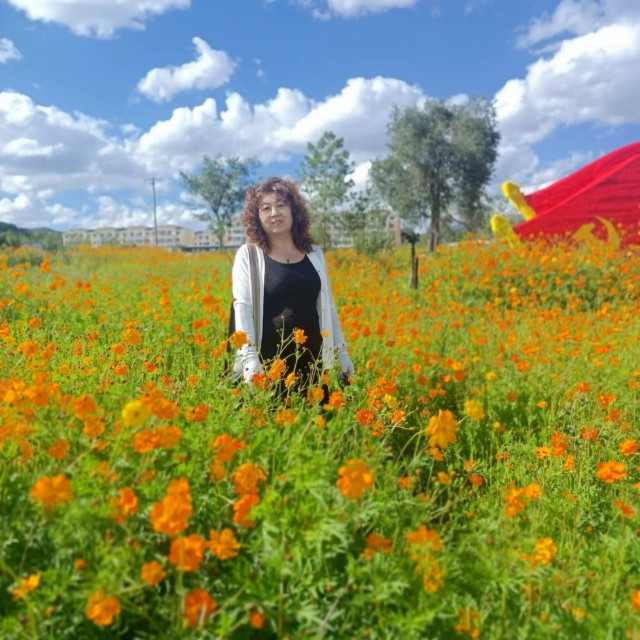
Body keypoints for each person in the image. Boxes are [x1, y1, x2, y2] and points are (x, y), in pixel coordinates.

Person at [231, 176, 354, 394]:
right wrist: (250, 361)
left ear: (294, 210)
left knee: (315, 415)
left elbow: (327, 305)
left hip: (314, 361)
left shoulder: (314, 253)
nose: (274, 213)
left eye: (281, 205)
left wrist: (341, 352)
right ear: (257, 217)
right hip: (268, 363)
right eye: (266, 208)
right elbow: (243, 308)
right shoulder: (249, 255)